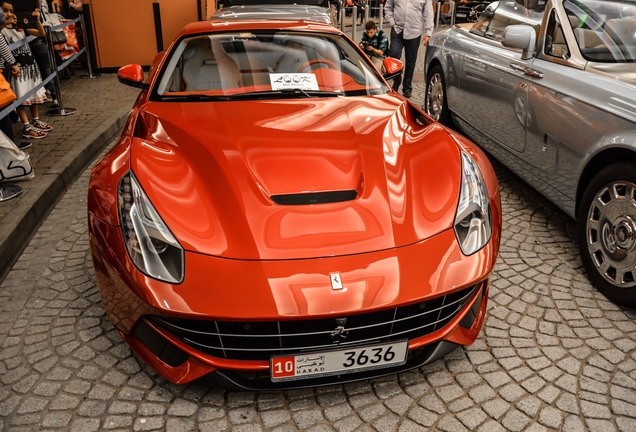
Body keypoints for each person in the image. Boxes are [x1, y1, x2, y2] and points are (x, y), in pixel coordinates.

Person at [1, 1, 52, 139]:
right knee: (20, 95)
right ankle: (26, 126)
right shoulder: (3, 30)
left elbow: (40, 33)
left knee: (32, 93)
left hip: (30, 66)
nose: (10, 14)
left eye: (12, 11)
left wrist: (36, 20)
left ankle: (35, 120)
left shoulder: (21, 27)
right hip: (17, 69)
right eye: (5, 11)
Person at [384, 0, 434, 98]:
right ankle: (397, 80)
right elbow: (388, 7)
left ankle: (407, 87)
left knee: (410, 61)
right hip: (397, 29)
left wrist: (428, 33)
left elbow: (428, 13)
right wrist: (392, 23)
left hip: (414, 32)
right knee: (394, 55)